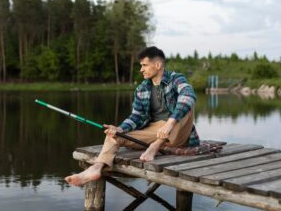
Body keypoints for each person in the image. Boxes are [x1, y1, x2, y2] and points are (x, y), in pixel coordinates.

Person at [65, 46, 200, 186]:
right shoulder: (142, 89)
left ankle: (156, 146)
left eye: (144, 65)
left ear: (158, 65)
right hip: (154, 130)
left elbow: (188, 95)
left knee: (186, 105)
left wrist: (170, 123)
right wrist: (121, 129)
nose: (141, 69)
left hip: (179, 133)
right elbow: (137, 116)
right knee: (114, 135)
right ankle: (96, 167)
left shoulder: (176, 79)